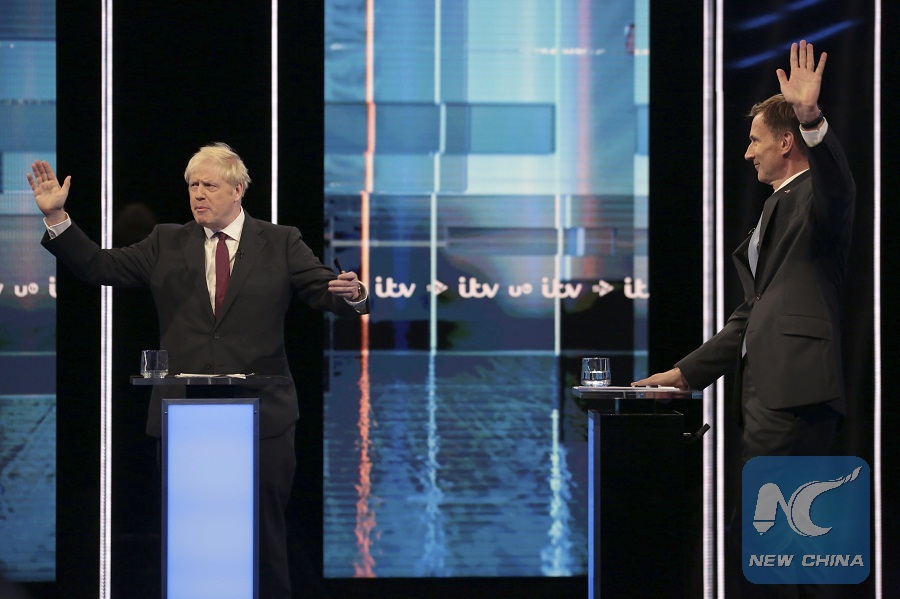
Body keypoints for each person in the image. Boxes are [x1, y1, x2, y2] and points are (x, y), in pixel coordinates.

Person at [29, 142, 369, 599]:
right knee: (190, 544)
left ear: (238, 189)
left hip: (263, 420)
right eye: (192, 185)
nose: (198, 194)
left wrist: (352, 293)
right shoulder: (166, 242)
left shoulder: (281, 241)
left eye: (209, 185)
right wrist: (56, 217)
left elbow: (324, 290)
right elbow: (98, 266)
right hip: (184, 416)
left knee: (264, 541)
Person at [634, 40, 854, 598]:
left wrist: (812, 118)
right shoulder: (776, 205)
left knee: (782, 545)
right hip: (764, 393)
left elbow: (839, 184)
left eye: (755, 140)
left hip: (794, 392)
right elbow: (750, 314)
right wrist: (685, 374)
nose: (747, 152)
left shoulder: (818, 197)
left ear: (786, 142)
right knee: (780, 548)